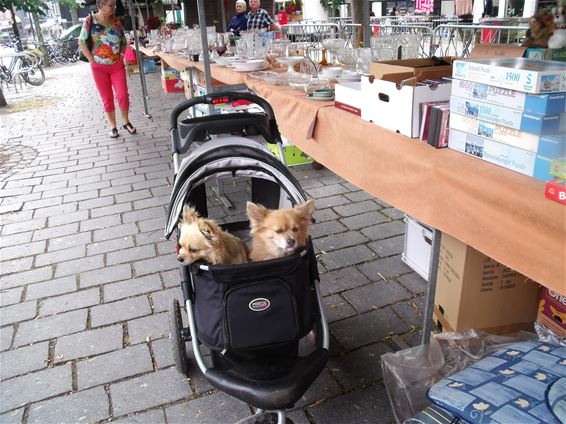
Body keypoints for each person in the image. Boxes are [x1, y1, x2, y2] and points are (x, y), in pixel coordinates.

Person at [79, 0, 136, 139]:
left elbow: (123, 41)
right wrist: (92, 61)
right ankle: (113, 127)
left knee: (122, 95)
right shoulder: (89, 20)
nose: (114, 8)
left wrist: (122, 55)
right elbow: (81, 41)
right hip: (98, 68)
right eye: (111, 5)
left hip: (116, 65)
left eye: (115, 5)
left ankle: (126, 121)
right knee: (107, 98)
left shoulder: (116, 21)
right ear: (101, 5)